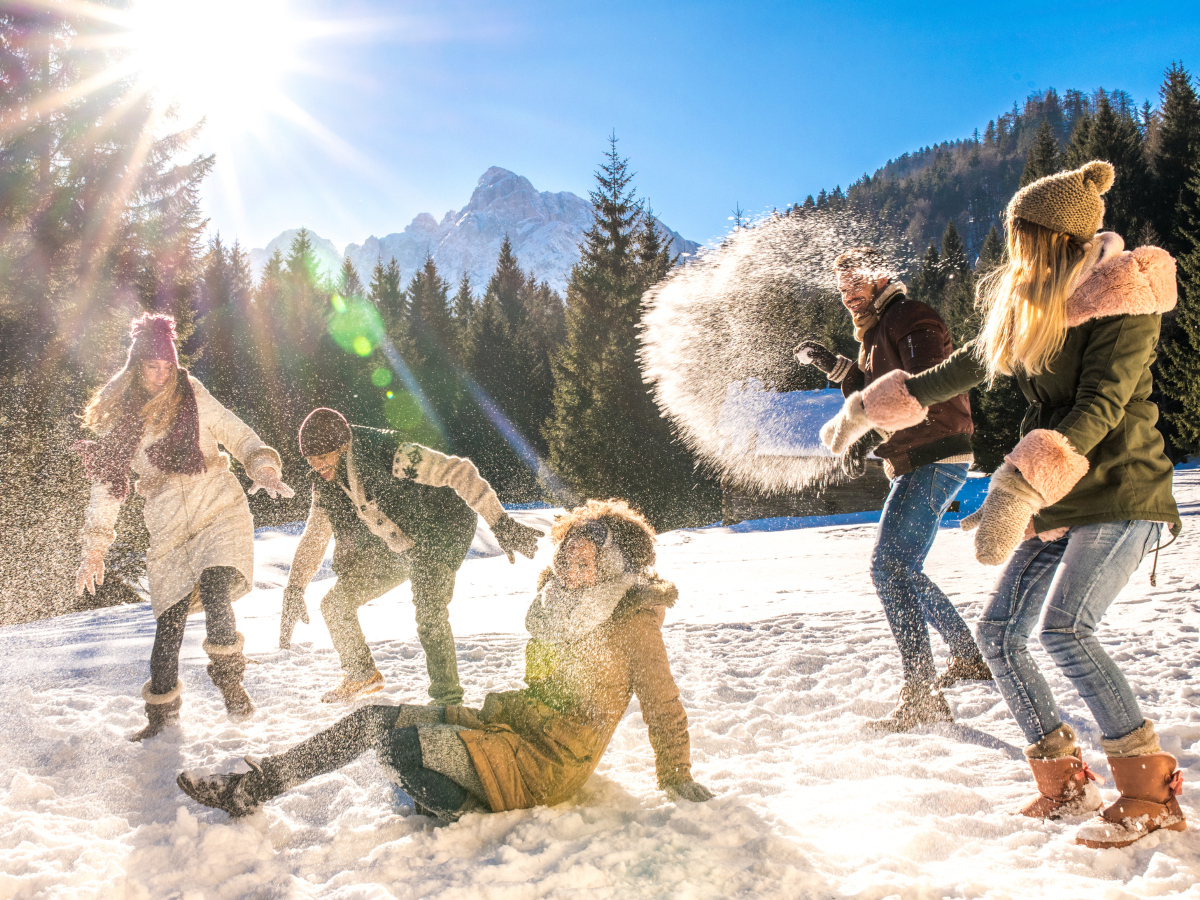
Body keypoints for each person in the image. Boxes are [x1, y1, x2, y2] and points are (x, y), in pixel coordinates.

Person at [820, 161, 1185, 849]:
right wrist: (864, 408)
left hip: (1121, 488)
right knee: (999, 637)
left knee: (1066, 630)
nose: (1016, 255)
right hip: (1060, 493)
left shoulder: (1123, 298)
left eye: (1026, 241)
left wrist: (1019, 484)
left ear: (1059, 238)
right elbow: (958, 372)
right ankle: (1064, 782)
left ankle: (1149, 794)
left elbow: (1100, 405)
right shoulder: (1030, 302)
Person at [177, 499, 713, 820]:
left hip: (550, 766)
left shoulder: (630, 621)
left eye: (584, 557)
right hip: (512, 729)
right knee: (372, 723)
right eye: (566, 553)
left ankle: (464, 804)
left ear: (613, 563)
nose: (570, 565)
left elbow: (663, 703)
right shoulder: (555, 608)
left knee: (404, 749)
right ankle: (254, 788)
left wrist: (676, 775)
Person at [794, 248, 990, 732]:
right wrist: (840, 371)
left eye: (857, 283)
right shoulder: (877, 331)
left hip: (934, 454)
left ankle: (921, 693)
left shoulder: (910, 316)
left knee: (889, 567)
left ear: (883, 277)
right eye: (842, 290)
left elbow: (924, 388)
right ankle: (966, 656)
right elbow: (874, 384)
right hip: (920, 457)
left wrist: (873, 431)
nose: (849, 295)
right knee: (903, 568)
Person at [75, 314, 293, 741]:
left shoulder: (192, 393)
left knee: (215, 590)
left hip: (218, 506)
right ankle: (161, 718)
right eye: (151, 366)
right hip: (168, 527)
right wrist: (95, 546)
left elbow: (235, 431)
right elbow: (108, 488)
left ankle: (232, 688)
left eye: (166, 366)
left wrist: (263, 466)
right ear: (136, 367)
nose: (160, 374)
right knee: (169, 624)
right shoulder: (124, 418)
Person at [279, 408, 544, 705]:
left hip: (438, 532)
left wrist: (499, 521)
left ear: (342, 445)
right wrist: (294, 587)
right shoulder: (326, 484)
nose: (317, 465)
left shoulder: (389, 452)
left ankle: (447, 701)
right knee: (335, 603)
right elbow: (316, 534)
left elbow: (459, 471)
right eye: (310, 460)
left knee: (429, 614)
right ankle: (361, 674)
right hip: (395, 541)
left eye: (323, 456)